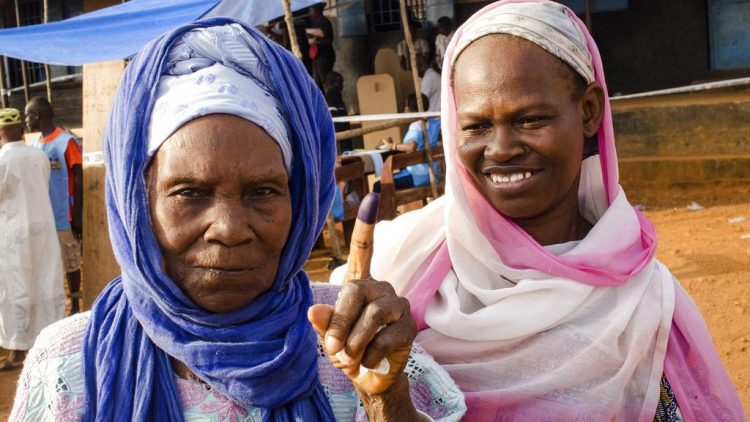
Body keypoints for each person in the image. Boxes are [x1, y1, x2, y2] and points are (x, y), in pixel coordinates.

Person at [10, 19, 465, 421]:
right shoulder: (68, 365)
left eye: (263, 192)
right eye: (190, 193)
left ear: (300, 202)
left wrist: (387, 401)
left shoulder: (353, 340)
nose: (228, 229)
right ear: (138, 203)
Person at [331, 1, 745, 420]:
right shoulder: (398, 265)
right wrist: (386, 397)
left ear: (588, 111)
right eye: (475, 126)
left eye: (530, 120)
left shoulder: (645, 304)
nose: (501, 149)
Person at [0, 108, 64, 372]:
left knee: (16, 285)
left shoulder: (3, 159)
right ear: (20, 129)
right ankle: (48, 341)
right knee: (45, 280)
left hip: (15, 230)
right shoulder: (38, 155)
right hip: (44, 226)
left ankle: (17, 349)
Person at [25, 96, 83, 315]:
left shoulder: (65, 141)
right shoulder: (36, 144)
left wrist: (77, 215)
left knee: (71, 261)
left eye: (27, 115)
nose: (26, 120)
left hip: (63, 215)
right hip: (43, 215)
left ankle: (76, 304)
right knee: (50, 263)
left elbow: (77, 177)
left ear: (37, 116)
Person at [380, 93, 440, 189]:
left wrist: (391, 145)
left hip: (417, 175)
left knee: (380, 185)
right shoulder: (434, 123)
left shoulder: (416, 125)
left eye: (406, 106)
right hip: (432, 173)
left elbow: (411, 147)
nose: (405, 109)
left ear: (411, 108)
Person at [306, 3, 336, 89]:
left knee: (325, 81)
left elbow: (329, 40)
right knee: (317, 82)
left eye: (311, 10)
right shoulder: (313, 23)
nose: (310, 12)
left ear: (317, 10)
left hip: (324, 55)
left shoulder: (325, 22)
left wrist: (315, 39)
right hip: (317, 56)